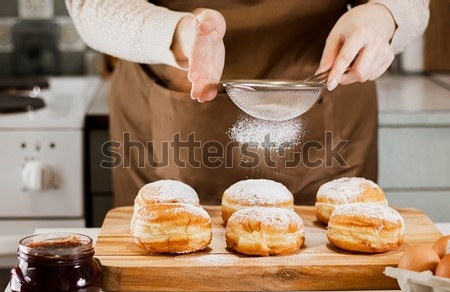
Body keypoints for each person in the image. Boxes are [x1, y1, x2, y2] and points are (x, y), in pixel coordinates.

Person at [66, 0, 430, 206]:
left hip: (324, 95)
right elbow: (91, 6)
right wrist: (179, 36)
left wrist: (383, 15)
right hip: (169, 97)